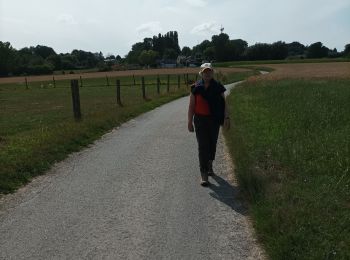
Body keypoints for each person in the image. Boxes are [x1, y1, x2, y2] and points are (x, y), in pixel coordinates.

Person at [188, 63, 230, 186]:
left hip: (214, 120)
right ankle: (204, 174)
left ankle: (210, 163)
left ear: (212, 73)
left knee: (212, 143)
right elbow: (191, 106)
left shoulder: (218, 87)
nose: (207, 74)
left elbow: (224, 104)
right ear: (201, 73)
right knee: (202, 146)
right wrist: (189, 121)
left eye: (209, 71)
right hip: (200, 120)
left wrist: (226, 117)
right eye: (205, 72)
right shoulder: (195, 87)